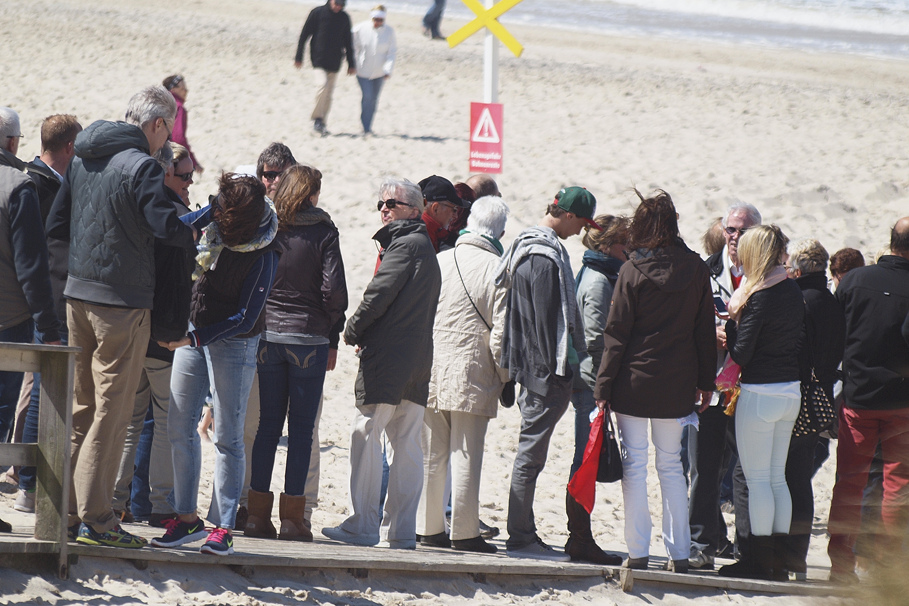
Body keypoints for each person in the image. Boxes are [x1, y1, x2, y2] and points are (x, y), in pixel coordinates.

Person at [45, 87, 196, 548]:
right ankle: (99, 519)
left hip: (77, 296)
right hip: (122, 304)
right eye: (166, 129)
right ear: (154, 125)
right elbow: (165, 228)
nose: (166, 139)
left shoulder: (84, 155)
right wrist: (199, 220)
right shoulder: (143, 166)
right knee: (111, 412)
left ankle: (65, 514)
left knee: (80, 409)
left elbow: (57, 226)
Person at [151, 173, 279, 556]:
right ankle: (187, 518)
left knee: (227, 435)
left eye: (222, 213)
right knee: (179, 425)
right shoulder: (216, 221)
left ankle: (223, 527)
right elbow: (175, 230)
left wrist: (190, 339)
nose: (215, 217)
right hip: (196, 327)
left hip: (235, 342)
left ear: (238, 221)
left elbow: (244, 317)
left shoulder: (266, 252)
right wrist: (210, 208)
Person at [594, 190, 715, 574]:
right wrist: (706, 383)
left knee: (635, 465)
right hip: (677, 384)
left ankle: (638, 552)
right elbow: (704, 330)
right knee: (671, 468)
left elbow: (616, 335)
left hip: (633, 382)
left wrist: (603, 386)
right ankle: (679, 554)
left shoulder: (632, 270)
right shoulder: (696, 269)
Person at [322, 177, 441, 549]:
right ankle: (402, 531)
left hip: (390, 360)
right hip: (416, 361)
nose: (384, 209)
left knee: (367, 434)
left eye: (392, 203)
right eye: (381, 204)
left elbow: (378, 293)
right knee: (406, 446)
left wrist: (353, 329)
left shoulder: (406, 245)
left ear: (414, 209)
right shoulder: (424, 245)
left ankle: (364, 524)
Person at [495, 186, 599, 561]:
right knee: (530, 457)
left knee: (530, 455)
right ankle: (520, 536)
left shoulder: (529, 244)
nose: (580, 231)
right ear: (567, 215)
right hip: (544, 373)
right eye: (581, 223)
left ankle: (523, 531)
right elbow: (543, 325)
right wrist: (557, 373)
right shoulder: (543, 255)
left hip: (536, 370)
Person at [246, 165, 347, 542]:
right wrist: (331, 327)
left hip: (267, 334)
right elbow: (334, 291)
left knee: (267, 426)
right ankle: (292, 520)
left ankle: (256, 516)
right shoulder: (323, 231)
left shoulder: (270, 227)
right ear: (312, 193)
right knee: (301, 431)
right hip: (308, 337)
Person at [416, 196, 509, 554]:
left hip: (433, 367)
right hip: (474, 370)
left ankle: (428, 528)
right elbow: (501, 333)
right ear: (499, 230)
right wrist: (505, 376)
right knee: (467, 452)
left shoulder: (440, 259)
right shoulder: (498, 268)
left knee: (432, 453)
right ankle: (465, 532)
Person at [717, 225, 805, 581]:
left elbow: (741, 352)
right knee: (776, 479)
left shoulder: (759, 296)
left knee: (756, 481)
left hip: (760, 393)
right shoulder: (791, 289)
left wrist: (730, 329)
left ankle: (758, 559)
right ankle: (779, 561)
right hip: (790, 391)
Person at [826, 218, 909, 583]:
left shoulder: (857, 280)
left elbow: (833, 335)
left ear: (891, 241)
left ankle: (842, 567)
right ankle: (886, 569)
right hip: (902, 401)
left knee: (849, 482)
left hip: (858, 398)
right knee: (897, 487)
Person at [11, 114, 81, 514]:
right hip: (36, 304)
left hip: (31, 302)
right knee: (37, 393)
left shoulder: (29, 179)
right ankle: (27, 483)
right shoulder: (40, 186)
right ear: (70, 147)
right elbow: (34, 255)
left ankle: (23, 481)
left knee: (31, 392)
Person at [688, 202, 762, 571]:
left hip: (751, 389)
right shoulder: (705, 271)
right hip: (711, 387)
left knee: (747, 471)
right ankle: (702, 544)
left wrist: (735, 336)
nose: (735, 237)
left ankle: (746, 552)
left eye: (743, 231)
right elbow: (685, 323)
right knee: (703, 469)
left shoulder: (768, 274)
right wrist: (709, 334)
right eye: (731, 230)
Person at [0, 107, 62, 537]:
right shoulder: (17, 186)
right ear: (13, 142)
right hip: (8, 319)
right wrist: (49, 330)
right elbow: (31, 267)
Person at [565, 214, 629, 565]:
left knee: (583, 459)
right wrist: (609, 379)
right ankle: (580, 538)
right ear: (608, 245)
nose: (629, 251)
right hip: (591, 382)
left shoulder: (595, 272)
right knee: (585, 461)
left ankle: (579, 536)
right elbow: (594, 338)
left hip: (587, 379)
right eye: (625, 244)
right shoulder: (600, 280)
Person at [782, 239, 845, 580]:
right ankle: (798, 557)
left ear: (798, 269)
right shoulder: (833, 303)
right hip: (821, 396)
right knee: (801, 479)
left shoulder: (799, 301)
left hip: (796, 395)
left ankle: (785, 553)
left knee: (785, 476)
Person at [294, 0, 356, 135]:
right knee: (322, 86)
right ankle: (317, 118)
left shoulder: (344, 18)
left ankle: (321, 123)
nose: (339, 6)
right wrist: (299, 56)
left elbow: (348, 42)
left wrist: (351, 64)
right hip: (318, 60)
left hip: (335, 62)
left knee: (328, 95)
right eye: (337, 3)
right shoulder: (317, 13)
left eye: (342, 4)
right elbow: (304, 35)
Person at [352, 5, 396, 135]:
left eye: (380, 20)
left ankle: (368, 126)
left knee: (374, 100)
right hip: (362, 71)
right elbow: (353, 47)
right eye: (375, 19)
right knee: (367, 96)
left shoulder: (389, 32)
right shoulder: (360, 29)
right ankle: (365, 125)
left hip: (380, 72)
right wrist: (354, 64)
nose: (378, 22)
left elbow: (392, 52)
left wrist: (388, 69)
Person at [162, 75, 203, 173]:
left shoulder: (160, 104)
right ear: (173, 89)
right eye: (183, 88)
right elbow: (178, 138)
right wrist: (193, 161)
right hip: (169, 157)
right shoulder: (178, 107)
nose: (186, 91)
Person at [418, 175, 467, 252]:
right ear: (435, 208)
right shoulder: (422, 236)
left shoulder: (428, 232)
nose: (456, 216)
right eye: (454, 210)